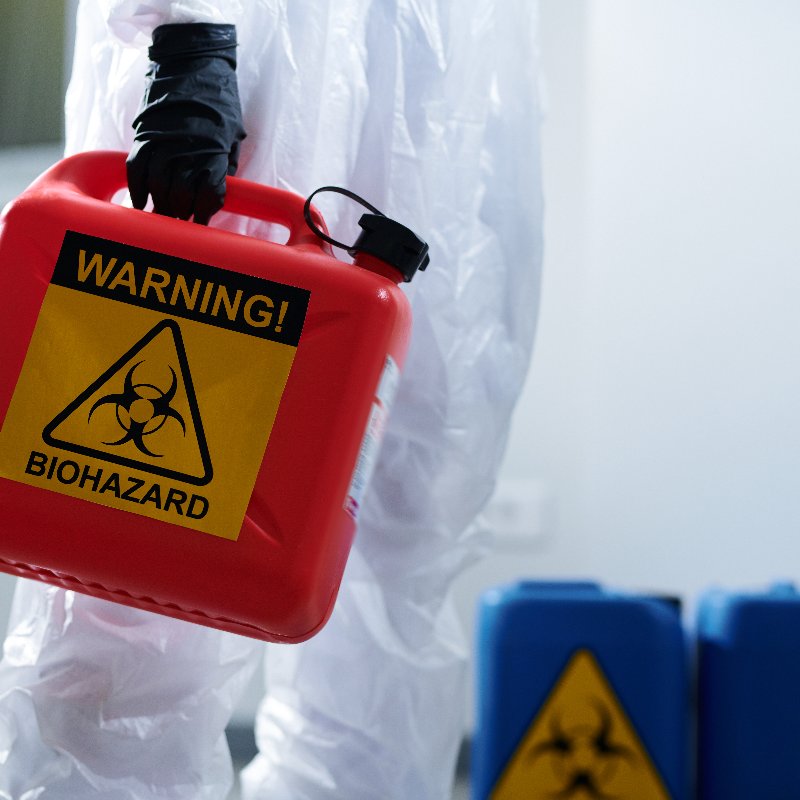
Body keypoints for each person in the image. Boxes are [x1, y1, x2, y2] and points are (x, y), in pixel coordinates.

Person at [0, 1, 543, 797]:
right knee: (140, 541)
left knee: (402, 515)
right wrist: (188, 33)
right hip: (260, 51)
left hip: (452, 89)